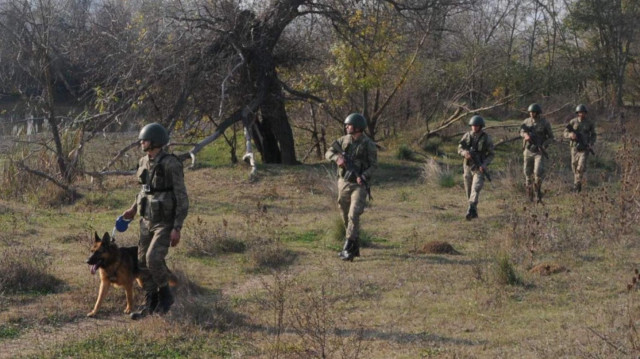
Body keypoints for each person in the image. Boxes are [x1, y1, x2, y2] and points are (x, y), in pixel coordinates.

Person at [121, 122, 189, 320]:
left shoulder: (171, 164)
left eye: (145, 139)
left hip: (165, 222)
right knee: (141, 262)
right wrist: (133, 209)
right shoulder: (144, 162)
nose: (141, 142)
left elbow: (182, 197)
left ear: (156, 142)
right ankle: (150, 302)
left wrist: (177, 227)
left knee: (153, 259)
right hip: (146, 219)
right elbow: (144, 189)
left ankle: (165, 297)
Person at [325, 113, 377, 261]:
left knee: (354, 214)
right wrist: (337, 159)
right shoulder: (343, 140)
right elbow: (328, 152)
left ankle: (347, 248)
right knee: (344, 212)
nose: (346, 127)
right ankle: (354, 246)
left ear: (358, 128)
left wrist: (364, 176)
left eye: (349, 125)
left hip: (359, 185)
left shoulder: (368, 144)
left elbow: (374, 165)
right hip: (344, 182)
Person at [458, 115, 495, 220]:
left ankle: (470, 209)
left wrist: (484, 164)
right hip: (467, 166)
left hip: (479, 167)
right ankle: (473, 210)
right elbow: (459, 148)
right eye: (473, 125)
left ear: (481, 126)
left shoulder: (486, 138)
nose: (474, 127)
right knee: (468, 190)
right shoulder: (467, 136)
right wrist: (464, 153)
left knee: (476, 188)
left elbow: (491, 154)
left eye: (476, 125)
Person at [520, 103, 554, 202]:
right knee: (527, 173)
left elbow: (551, 137)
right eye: (530, 112)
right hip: (528, 150)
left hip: (538, 152)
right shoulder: (526, 121)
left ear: (538, 112)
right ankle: (529, 196)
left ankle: (538, 194)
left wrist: (544, 145)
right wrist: (525, 135)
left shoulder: (544, 123)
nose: (531, 114)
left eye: (533, 112)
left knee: (538, 173)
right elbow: (521, 131)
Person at [563, 104, 596, 192]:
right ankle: (577, 182)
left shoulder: (589, 123)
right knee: (574, 166)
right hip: (574, 148)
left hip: (584, 148)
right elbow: (565, 132)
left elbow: (593, 135)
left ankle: (576, 186)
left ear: (586, 113)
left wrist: (591, 143)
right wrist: (570, 135)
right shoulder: (573, 122)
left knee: (580, 167)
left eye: (583, 113)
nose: (582, 114)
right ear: (577, 113)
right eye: (580, 112)